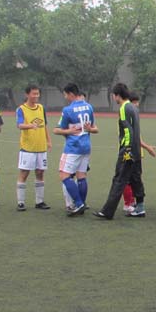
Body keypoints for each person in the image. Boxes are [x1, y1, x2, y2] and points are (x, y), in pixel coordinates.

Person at [94, 84, 149, 220]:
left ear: (117, 95)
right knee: (136, 179)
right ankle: (140, 208)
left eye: (114, 95)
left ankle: (107, 212)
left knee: (119, 180)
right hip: (137, 150)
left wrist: (127, 150)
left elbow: (127, 130)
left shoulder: (124, 108)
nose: (113, 97)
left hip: (128, 151)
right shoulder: (134, 107)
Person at [53, 83, 98, 217]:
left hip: (73, 147)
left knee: (64, 175)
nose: (65, 97)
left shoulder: (68, 110)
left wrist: (68, 131)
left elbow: (57, 130)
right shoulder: (89, 107)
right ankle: (82, 203)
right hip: (86, 146)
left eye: (66, 95)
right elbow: (94, 128)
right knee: (81, 176)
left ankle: (78, 204)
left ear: (71, 94)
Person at [15, 84, 52, 211]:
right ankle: (21, 202)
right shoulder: (21, 109)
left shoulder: (41, 108)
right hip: (28, 148)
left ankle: (39, 201)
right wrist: (30, 126)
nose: (36, 96)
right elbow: (19, 125)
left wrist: (48, 141)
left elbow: (45, 125)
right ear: (27, 94)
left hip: (41, 147)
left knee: (40, 172)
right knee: (24, 173)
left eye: (38, 93)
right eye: (34, 93)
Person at [122, 92, 156, 213]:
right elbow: (132, 138)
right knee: (128, 179)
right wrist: (148, 148)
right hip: (130, 153)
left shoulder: (133, 117)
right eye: (134, 102)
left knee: (135, 179)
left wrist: (146, 147)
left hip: (137, 153)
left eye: (137, 102)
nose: (137, 105)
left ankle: (135, 203)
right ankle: (128, 203)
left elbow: (138, 138)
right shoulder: (126, 118)